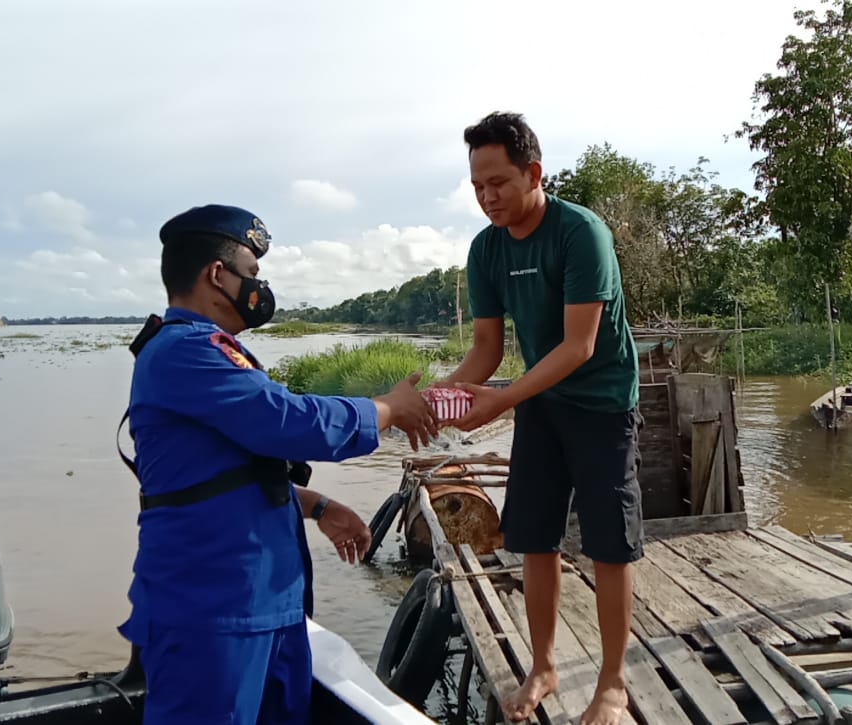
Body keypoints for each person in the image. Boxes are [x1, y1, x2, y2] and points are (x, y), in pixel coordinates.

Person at [115, 203, 439, 724]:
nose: (259, 288)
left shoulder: (219, 352)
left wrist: (314, 504)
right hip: (212, 611)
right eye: (253, 274)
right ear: (217, 275)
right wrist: (385, 410)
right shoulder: (182, 352)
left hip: (266, 604)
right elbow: (286, 420)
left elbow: (224, 473)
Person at [439, 112, 642, 725]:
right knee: (533, 537)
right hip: (541, 403)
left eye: (498, 182)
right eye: (477, 186)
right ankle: (544, 667)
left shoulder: (581, 233)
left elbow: (578, 346)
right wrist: (435, 397)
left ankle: (611, 683)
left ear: (533, 172)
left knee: (610, 543)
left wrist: (501, 400)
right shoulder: (487, 249)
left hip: (602, 402)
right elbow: (487, 349)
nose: (487, 197)